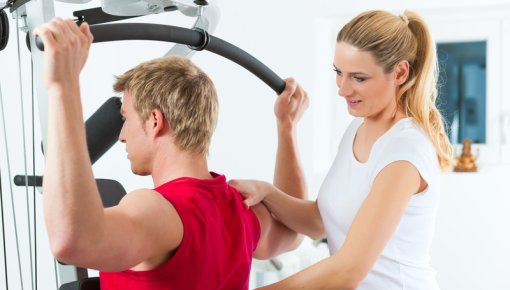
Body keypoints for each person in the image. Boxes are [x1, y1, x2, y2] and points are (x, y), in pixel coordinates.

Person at [34, 18, 306, 290]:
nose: (121, 136)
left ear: (154, 121)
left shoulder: (156, 210)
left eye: (125, 118)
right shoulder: (241, 208)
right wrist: (287, 126)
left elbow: (71, 241)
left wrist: (64, 85)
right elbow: (295, 230)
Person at [230, 9, 454, 290]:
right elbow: (320, 223)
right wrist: (268, 192)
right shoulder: (358, 129)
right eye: (339, 73)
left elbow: (347, 271)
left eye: (358, 78)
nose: (343, 90)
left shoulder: (405, 152)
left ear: (399, 72)